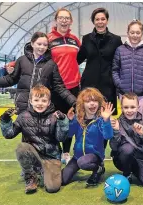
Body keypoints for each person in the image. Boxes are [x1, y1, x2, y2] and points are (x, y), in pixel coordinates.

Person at [0, 32, 76, 114]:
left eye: (45, 45)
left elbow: (60, 87)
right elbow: (10, 79)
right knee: (26, 137)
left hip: (43, 108)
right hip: (23, 108)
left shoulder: (52, 65)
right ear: (32, 44)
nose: (42, 47)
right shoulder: (21, 60)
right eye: (39, 44)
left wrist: (75, 102)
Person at [0, 85, 69, 194]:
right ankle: (31, 176)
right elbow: (9, 134)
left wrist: (63, 121)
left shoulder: (54, 117)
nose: (39, 103)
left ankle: (43, 170)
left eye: (43, 100)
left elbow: (61, 138)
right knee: (21, 147)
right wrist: (5, 120)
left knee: (52, 188)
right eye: (36, 100)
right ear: (30, 101)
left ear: (49, 102)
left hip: (51, 157)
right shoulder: (23, 117)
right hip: (33, 155)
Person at [48, 8, 82, 165]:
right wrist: (14, 64)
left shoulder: (75, 40)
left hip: (74, 88)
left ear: (71, 21)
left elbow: (81, 57)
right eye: (60, 18)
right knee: (55, 121)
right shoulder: (48, 39)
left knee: (69, 121)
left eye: (66, 18)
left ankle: (66, 152)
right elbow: (36, 54)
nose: (63, 20)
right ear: (56, 20)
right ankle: (56, 151)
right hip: (55, 88)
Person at [61, 87, 114, 186]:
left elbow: (108, 136)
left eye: (95, 101)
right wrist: (71, 121)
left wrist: (107, 120)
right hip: (77, 156)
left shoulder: (101, 120)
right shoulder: (78, 118)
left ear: (99, 103)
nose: (92, 103)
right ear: (82, 104)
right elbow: (69, 134)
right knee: (62, 180)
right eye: (88, 101)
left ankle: (99, 168)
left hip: (95, 156)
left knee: (83, 162)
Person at [109, 92, 143, 190]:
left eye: (132, 107)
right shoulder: (117, 122)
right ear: (121, 107)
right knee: (128, 148)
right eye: (126, 107)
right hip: (121, 160)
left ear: (138, 106)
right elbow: (113, 147)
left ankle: (135, 171)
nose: (129, 110)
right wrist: (116, 130)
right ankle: (126, 173)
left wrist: (142, 134)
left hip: (138, 159)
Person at [77, 7, 122, 116]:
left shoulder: (116, 40)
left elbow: (122, 61)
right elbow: (78, 59)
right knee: (88, 115)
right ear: (93, 21)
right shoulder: (86, 39)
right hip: (89, 83)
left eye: (103, 19)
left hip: (108, 84)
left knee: (106, 117)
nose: (100, 22)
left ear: (107, 20)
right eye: (97, 19)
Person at [112, 19, 143, 114]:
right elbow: (115, 70)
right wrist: (120, 85)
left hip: (141, 95)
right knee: (125, 120)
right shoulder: (120, 50)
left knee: (139, 120)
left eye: (138, 32)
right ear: (127, 33)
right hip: (124, 94)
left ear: (142, 34)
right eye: (132, 32)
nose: (135, 35)